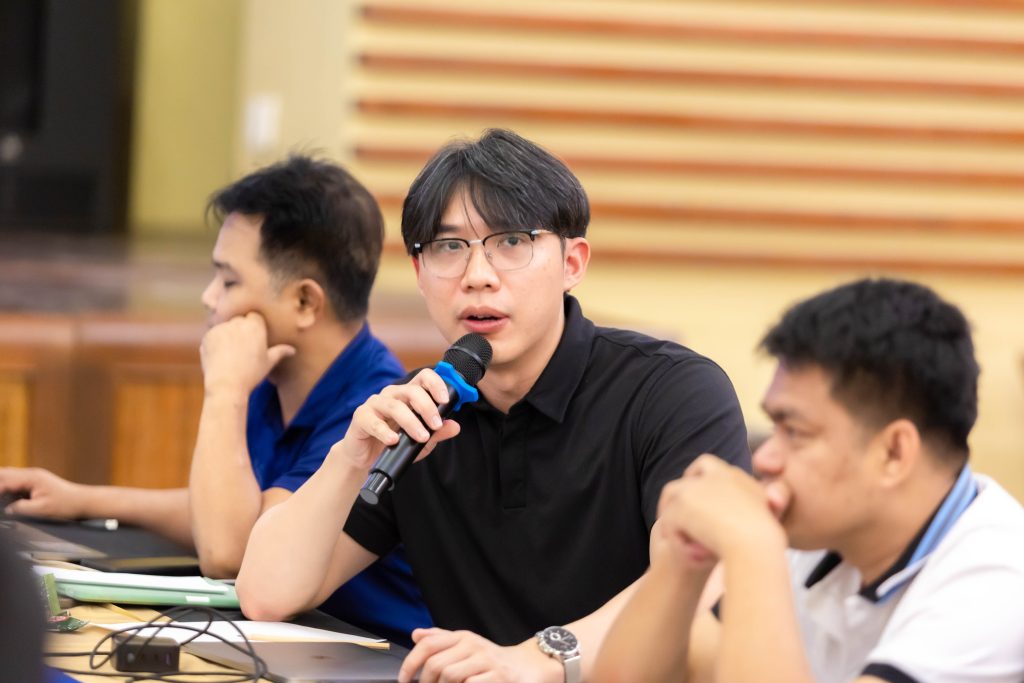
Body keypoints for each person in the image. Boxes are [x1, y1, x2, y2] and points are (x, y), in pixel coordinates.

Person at [237, 129, 750, 682]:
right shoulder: (421, 414)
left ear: (573, 262)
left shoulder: (673, 392)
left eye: (511, 242)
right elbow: (267, 594)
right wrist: (350, 461)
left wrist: (540, 658)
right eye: (448, 248)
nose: (477, 277)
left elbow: (701, 580)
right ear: (419, 273)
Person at [0, 156, 431, 645]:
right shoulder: (273, 378)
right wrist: (80, 499)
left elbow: (230, 551)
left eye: (228, 281)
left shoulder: (372, 409)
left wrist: (225, 389)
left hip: (374, 655)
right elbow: (237, 511)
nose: (209, 297)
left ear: (305, 302)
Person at [593, 277, 1024, 683]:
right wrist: (680, 562)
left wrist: (752, 547)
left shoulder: (997, 581)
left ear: (894, 453)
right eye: (773, 428)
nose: (764, 458)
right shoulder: (824, 536)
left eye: (794, 432)